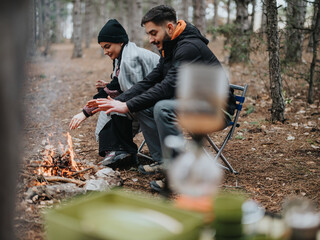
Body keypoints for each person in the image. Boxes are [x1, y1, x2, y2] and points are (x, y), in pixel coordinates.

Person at [90, 5, 236, 191]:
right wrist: (120, 101)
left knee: (162, 107)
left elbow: (167, 87)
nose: (151, 39)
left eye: (153, 33)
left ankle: (177, 175)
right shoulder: (171, 46)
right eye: (148, 34)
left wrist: (126, 106)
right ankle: (163, 160)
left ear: (168, 28)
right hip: (194, 100)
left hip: (215, 108)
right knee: (145, 106)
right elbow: (151, 80)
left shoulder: (188, 48)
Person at [69, 19, 159, 168]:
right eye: (103, 48)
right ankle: (117, 150)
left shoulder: (130, 59)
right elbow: (117, 85)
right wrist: (107, 88)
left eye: (107, 46)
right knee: (106, 118)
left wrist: (85, 113)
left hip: (155, 102)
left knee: (113, 107)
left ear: (120, 42)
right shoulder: (122, 56)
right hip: (145, 98)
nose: (105, 52)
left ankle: (124, 151)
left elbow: (132, 93)